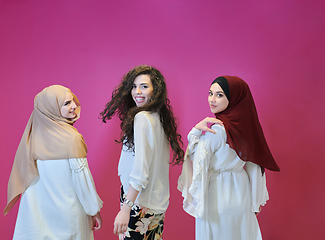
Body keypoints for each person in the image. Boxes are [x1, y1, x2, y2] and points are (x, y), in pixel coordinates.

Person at [178, 76, 280, 240]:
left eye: (219, 95)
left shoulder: (217, 131)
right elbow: (255, 167)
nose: (212, 99)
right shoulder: (248, 128)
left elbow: (195, 160)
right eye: (210, 93)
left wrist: (196, 131)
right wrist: (255, 200)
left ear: (234, 98)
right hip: (241, 191)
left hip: (217, 193)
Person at [4, 85, 103, 240]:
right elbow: (82, 180)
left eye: (73, 101)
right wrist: (93, 210)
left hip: (37, 219)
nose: (74, 106)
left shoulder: (31, 139)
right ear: (51, 108)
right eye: (66, 103)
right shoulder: (72, 138)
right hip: (68, 216)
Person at [100, 65, 184, 240]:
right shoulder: (159, 117)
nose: (137, 92)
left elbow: (140, 171)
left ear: (156, 90)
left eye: (144, 86)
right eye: (134, 86)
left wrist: (126, 208)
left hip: (137, 203)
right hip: (156, 205)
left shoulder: (142, 118)